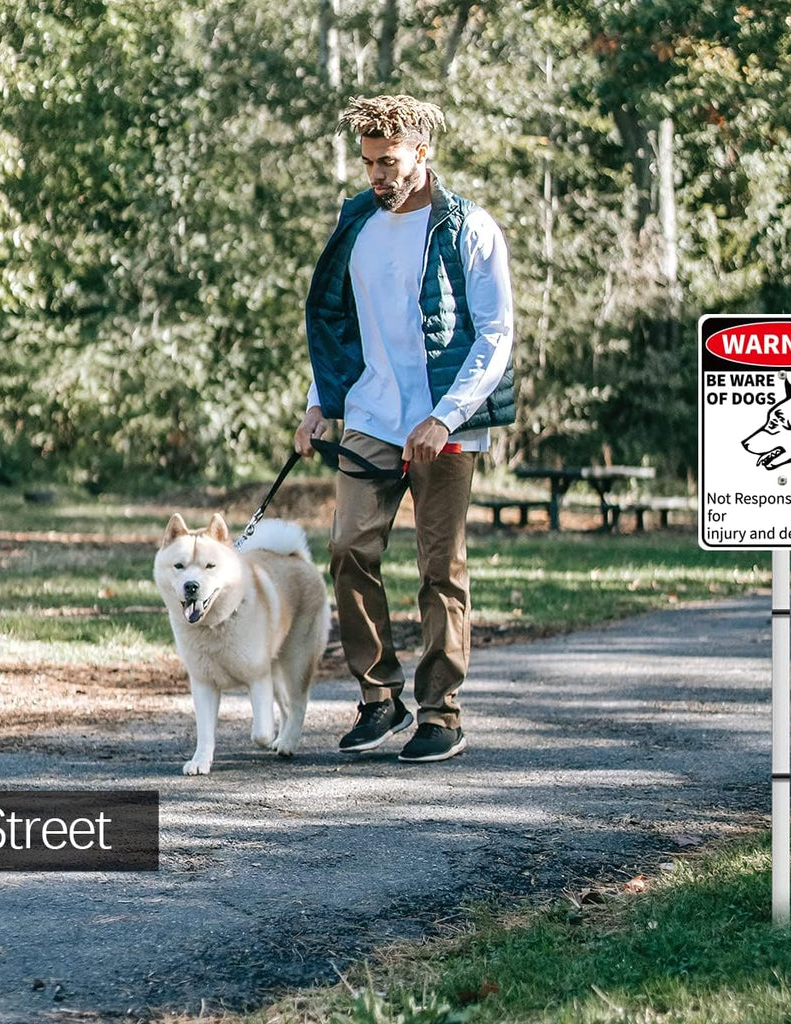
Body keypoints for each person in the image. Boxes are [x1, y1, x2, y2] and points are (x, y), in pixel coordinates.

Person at [294, 94, 515, 763]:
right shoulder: (357, 222)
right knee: (348, 551)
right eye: (368, 163)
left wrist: (444, 416)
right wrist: (319, 398)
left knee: (438, 568)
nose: (376, 175)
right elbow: (340, 324)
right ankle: (378, 697)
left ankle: (441, 712)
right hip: (369, 412)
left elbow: (497, 335)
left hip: (444, 424)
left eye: (388, 161)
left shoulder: (469, 228)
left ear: (423, 153)